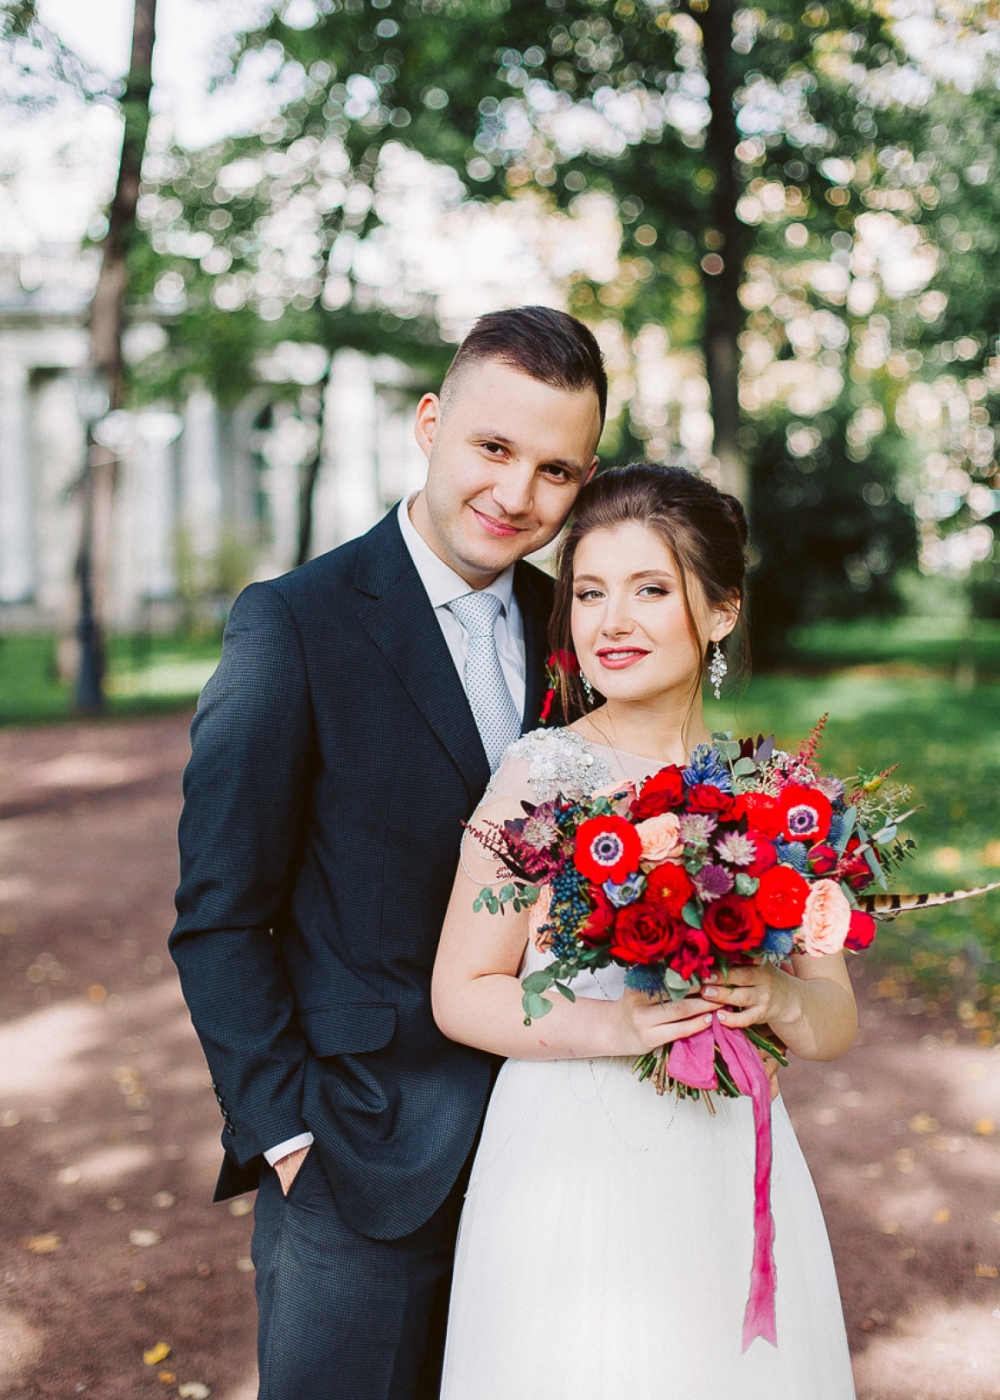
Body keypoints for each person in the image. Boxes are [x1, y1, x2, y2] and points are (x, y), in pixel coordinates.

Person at [169, 306, 605, 1400]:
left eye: (555, 470)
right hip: (358, 1155)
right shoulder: (293, 624)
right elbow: (220, 911)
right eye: (493, 447)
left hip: (555, 1147)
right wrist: (284, 1131)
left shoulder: (581, 635)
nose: (516, 494)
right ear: (430, 422)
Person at [432, 463, 859, 1400]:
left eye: (650, 590)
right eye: (589, 593)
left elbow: (833, 1022)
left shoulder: (777, 799)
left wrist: (777, 995)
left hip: (728, 1153)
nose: (611, 621)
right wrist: (615, 1026)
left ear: (721, 611)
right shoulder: (540, 776)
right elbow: (462, 991)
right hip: (569, 1162)